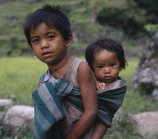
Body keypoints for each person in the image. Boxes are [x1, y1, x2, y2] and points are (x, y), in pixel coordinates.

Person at [23, 5, 98, 139]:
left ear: (68, 39)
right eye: (36, 40)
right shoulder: (44, 82)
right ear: (32, 49)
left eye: (50, 37)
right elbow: (47, 120)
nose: (44, 45)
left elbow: (91, 112)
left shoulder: (80, 69)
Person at [85, 38, 127, 138]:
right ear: (91, 68)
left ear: (120, 65)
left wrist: (101, 93)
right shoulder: (88, 79)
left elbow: (108, 105)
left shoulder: (118, 85)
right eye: (100, 66)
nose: (107, 70)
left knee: (102, 124)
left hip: (102, 118)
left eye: (112, 65)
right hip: (82, 116)